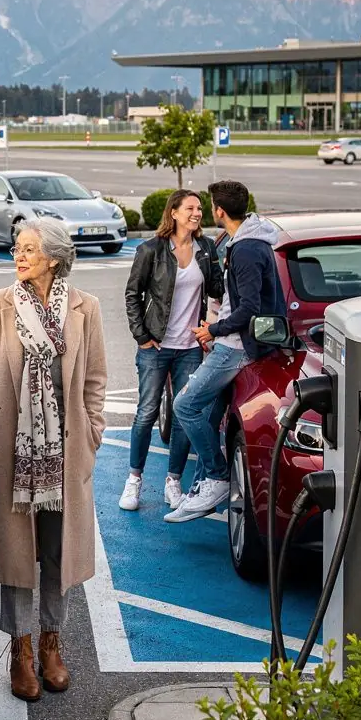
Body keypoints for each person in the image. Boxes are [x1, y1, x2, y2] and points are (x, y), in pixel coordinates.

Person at [0, 219, 107, 701]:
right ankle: (21, 649)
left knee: (57, 552)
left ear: (54, 258)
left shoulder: (86, 308)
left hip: (66, 453)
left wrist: (92, 433)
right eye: (17, 249)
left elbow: (94, 380)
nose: (19, 257)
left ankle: (51, 643)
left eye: (29, 250)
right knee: (17, 555)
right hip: (13, 452)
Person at [165, 179, 285, 523]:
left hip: (234, 347)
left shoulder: (246, 250)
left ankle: (217, 478)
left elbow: (248, 308)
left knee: (185, 406)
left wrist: (213, 330)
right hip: (233, 341)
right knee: (209, 415)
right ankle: (200, 488)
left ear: (219, 211)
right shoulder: (249, 242)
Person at [120, 190, 224, 512]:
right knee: (146, 413)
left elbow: (218, 289)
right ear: (174, 213)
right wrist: (141, 336)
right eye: (190, 208)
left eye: (199, 208)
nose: (197, 213)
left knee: (182, 414)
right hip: (156, 346)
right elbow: (132, 294)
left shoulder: (206, 249)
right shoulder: (151, 250)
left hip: (190, 348)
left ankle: (173, 482)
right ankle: (134, 480)